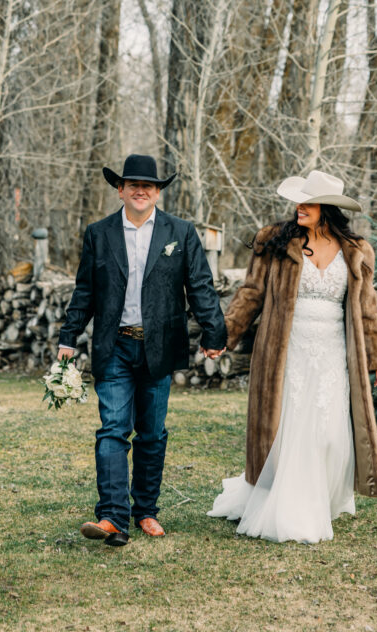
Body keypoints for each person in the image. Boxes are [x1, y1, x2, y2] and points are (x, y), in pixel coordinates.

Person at [208, 169, 377, 543]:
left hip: (335, 353)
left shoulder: (357, 250)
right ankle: (287, 503)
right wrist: (224, 334)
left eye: (308, 202)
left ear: (328, 208)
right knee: (289, 427)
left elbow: (368, 307)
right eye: (299, 201)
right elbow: (250, 293)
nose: (299, 207)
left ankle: (320, 498)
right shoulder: (274, 242)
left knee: (327, 429)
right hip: (285, 350)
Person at [58, 154, 227, 547]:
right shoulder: (99, 233)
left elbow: (200, 286)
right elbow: (85, 290)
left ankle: (146, 511)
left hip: (160, 346)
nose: (140, 190)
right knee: (113, 431)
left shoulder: (180, 232)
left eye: (147, 185)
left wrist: (214, 332)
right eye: (132, 184)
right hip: (113, 345)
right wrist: (69, 336)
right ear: (120, 189)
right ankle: (112, 517)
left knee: (151, 434)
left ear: (157, 191)